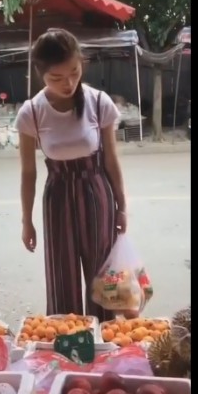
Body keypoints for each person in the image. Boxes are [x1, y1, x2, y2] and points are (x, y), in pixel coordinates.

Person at [15, 28, 128, 322]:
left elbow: (111, 160)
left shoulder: (99, 102)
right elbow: (28, 173)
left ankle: (104, 339)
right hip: (57, 196)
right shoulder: (31, 113)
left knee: (102, 279)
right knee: (61, 277)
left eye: (74, 73)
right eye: (56, 78)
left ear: (81, 64)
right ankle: (68, 343)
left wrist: (122, 206)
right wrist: (27, 221)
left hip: (96, 193)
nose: (68, 83)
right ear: (41, 74)